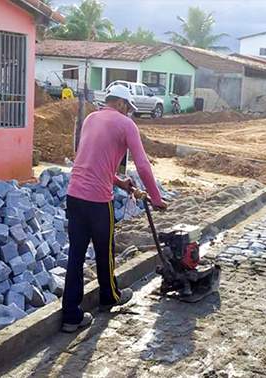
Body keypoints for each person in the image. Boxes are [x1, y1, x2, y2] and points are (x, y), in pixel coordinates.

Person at [62, 85, 167, 333]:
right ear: (121, 103)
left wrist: (119, 182)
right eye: (128, 108)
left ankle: (70, 317)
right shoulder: (126, 125)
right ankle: (110, 296)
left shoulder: (90, 119)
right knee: (105, 250)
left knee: (75, 257)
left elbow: (91, 160)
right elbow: (142, 165)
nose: (128, 112)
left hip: (74, 196)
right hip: (98, 201)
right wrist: (156, 198)